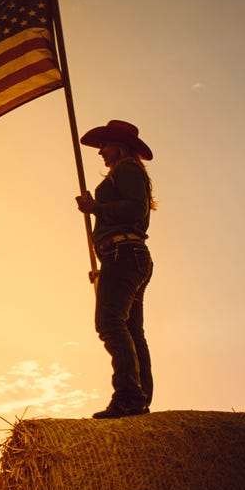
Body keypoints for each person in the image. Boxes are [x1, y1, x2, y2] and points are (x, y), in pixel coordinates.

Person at [76, 119, 155, 418]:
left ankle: (128, 395)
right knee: (132, 330)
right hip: (126, 255)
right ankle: (139, 397)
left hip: (124, 253)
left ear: (119, 146)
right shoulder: (124, 173)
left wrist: (96, 208)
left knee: (109, 323)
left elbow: (136, 209)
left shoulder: (127, 169)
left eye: (103, 146)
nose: (100, 153)